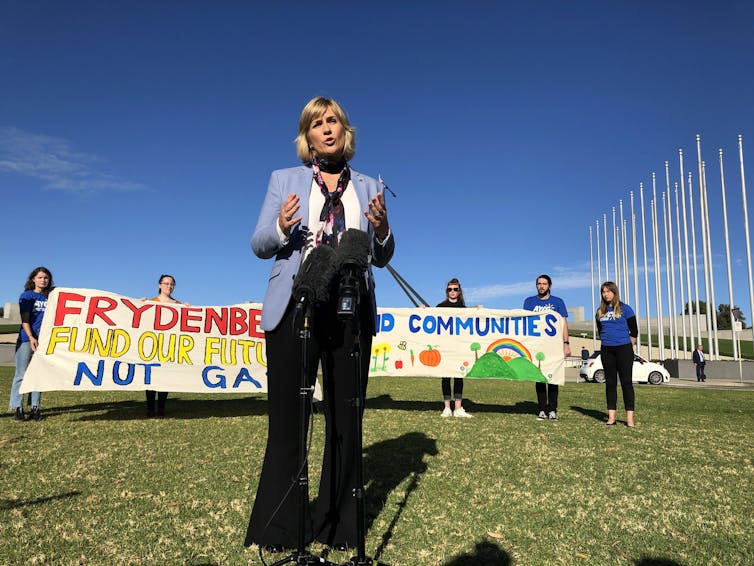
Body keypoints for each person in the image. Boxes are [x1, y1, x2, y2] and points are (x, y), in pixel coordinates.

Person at [245, 96, 395, 552]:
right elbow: (258, 243)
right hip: (297, 302)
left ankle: (340, 526)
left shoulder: (369, 185)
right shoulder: (283, 179)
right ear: (306, 135)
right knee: (288, 418)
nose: (326, 129)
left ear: (344, 130)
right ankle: (280, 528)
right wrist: (281, 224)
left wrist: (384, 230)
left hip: (350, 309)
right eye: (316, 123)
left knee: (345, 417)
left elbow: (384, 255)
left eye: (333, 121)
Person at [8, 267, 54, 422]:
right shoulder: (27, 296)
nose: (43, 280)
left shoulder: (52, 298)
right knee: (21, 374)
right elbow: (25, 320)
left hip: (45, 341)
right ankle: (18, 408)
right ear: (33, 279)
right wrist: (31, 337)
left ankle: (35, 407)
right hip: (27, 339)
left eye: (46, 278)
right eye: (40, 277)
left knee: (38, 374)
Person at [523, 274, 570, 421]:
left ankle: (553, 409)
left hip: (554, 345)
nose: (541, 286)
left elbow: (563, 324)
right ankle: (542, 409)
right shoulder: (529, 302)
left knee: (553, 377)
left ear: (549, 285)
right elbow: (525, 323)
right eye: (539, 284)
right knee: (539, 377)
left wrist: (566, 343)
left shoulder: (558, 302)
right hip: (537, 345)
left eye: (544, 284)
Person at [595, 281, 637, 428]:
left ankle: (629, 418)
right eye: (603, 292)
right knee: (610, 383)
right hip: (607, 350)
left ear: (614, 292)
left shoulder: (626, 309)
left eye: (608, 291)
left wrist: (625, 345)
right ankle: (611, 417)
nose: (605, 294)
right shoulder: (600, 312)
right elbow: (601, 331)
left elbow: (634, 332)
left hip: (624, 349)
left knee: (626, 383)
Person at [144, 274, 181, 417]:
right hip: (153, 345)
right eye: (166, 283)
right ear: (159, 285)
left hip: (169, 346)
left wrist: (189, 309)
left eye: (171, 284)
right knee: (151, 376)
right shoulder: (151, 302)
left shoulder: (178, 305)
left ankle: (161, 408)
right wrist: (138, 304)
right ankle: (150, 408)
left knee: (165, 377)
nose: (169, 286)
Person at [437, 278, 471, 418]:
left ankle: (458, 407)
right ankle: (446, 407)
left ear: (459, 291)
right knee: (445, 377)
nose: (452, 292)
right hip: (444, 347)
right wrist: (423, 310)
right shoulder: (440, 307)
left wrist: (477, 312)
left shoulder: (463, 309)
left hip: (458, 347)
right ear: (447, 291)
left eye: (455, 289)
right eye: (450, 289)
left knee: (458, 376)